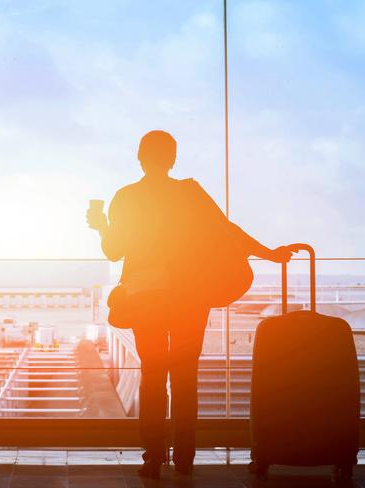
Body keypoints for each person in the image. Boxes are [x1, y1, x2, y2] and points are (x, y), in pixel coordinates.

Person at [86, 130, 294, 479]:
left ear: (140, 157)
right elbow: (228, 230)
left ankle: (153, 458)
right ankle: (184, 458)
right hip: (189, 298)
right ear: (173, 159)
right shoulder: (190, 194)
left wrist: (101, 225)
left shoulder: (127, 197)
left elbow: (113, 251)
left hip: (147, 298)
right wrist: (270, 255)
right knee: (185, 379)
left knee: (152, 378)